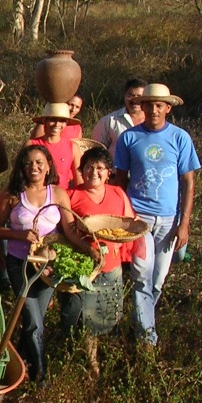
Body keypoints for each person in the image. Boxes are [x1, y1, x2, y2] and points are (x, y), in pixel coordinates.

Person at [0, 145, 93, 384]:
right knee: (34, 320)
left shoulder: (57, 194)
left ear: (48, 166)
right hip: (20, 264)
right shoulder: (13, 194)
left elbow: (68, 229)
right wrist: (20, 235)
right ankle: (40, 374)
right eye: (28, 164)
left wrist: (87, 249)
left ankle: (18, 360)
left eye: (39, 163)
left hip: (47, 268)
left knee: (34, 320)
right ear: (22, 168)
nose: (34, 168)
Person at [113, 83, 200, 345]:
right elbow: (120, 182)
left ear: (168, 108)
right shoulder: (129, 138)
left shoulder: (180, 138)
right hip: (139, 219)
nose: (153, 110)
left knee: (157, 281)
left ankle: (139, 323)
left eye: (159, 105)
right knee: (142, 276)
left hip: (168, 220)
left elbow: (188, 182)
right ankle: (147, 340)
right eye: (149, 104)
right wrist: (125, 218)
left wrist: (184, 223)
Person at [62, 147, 137, 374]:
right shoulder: (71, 195)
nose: (94, 172)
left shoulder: (117, 193)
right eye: (89, 167)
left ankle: (100, 353)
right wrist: (87, 248)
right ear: (81, 171)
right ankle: (90, 362)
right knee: (84, 316)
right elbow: (66, 230)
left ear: (108, 173)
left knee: (108, 312)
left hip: (112, 265)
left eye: (100, 168)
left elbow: (128, 223)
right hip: (86, 266)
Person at [28, 102, 82, 188]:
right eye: (53, 119)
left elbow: (79, 181)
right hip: (36, 199)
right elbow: (20, 174)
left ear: (66, 123)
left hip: (62, 198)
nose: (57, 124)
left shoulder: (72, 147)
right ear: (44, 121)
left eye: (62, 121)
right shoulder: (31, 144)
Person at [93, 78, 147, 156]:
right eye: (130, 95)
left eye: (139, 96)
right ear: (124, 95)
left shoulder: (153, 121)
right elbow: (96, 151)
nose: (135, 100)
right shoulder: (109, 121)